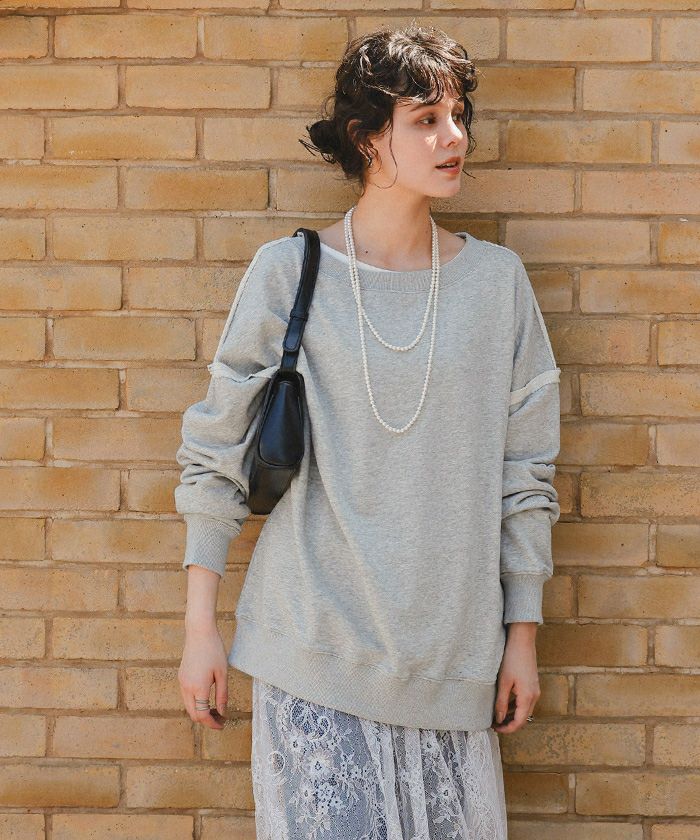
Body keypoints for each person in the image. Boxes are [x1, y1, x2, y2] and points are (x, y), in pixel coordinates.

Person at [175, 23, 561, 840]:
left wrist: (520, 636)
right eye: (426, 120)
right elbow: (215, 454)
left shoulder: (496, 285)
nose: (454, 138)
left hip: (453, 665)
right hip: (312, 652)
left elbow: (526, 473)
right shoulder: (290, 273)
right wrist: (199, 628)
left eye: (458, 116)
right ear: (366, 138)